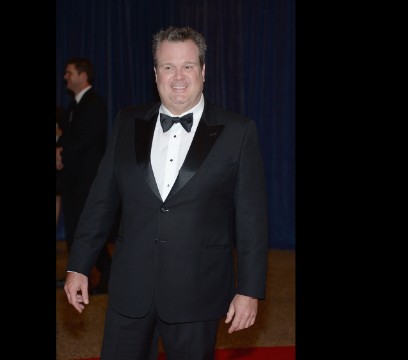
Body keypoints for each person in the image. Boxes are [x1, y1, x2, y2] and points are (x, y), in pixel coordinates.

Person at [63, 26, 269, 359]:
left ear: (203, 71)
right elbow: (101, 201)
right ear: (155, 72)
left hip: (197, 292)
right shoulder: (126, 123)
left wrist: (249, 291)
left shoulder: (239, 132)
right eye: (168, 66)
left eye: (187, 66)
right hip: (130, 288)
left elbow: (252, 221)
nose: (178, 76)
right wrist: (78, 266)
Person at [57, 57, 112, 293]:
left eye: (69, 72)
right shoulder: (74, 105)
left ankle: (108, 276)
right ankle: (78, 277)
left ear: (82, 75)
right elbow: (70, 138)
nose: (65, 77)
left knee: (88, 232)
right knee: (75, 232)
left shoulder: (94, 104)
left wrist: (63, 152)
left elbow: (84, 141)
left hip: (86, 182)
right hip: (72, 181)